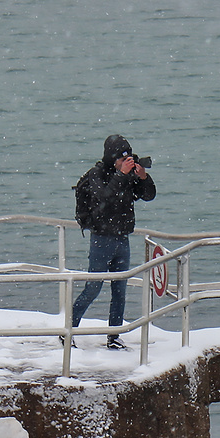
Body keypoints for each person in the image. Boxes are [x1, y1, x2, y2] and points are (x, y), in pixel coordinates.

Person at [70, 134, 156, 349]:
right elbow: (104, 197)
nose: (124, 161)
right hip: (101, 238)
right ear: (111, 158)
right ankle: (68, 330)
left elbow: (148, 196)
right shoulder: (97, 174)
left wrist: (143, 177)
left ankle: (114, 335)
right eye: (120, 158)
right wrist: (121, 174)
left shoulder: (126, 175)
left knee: (120, 290)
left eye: (127, 157)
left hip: (122, 238)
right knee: (93, 288)